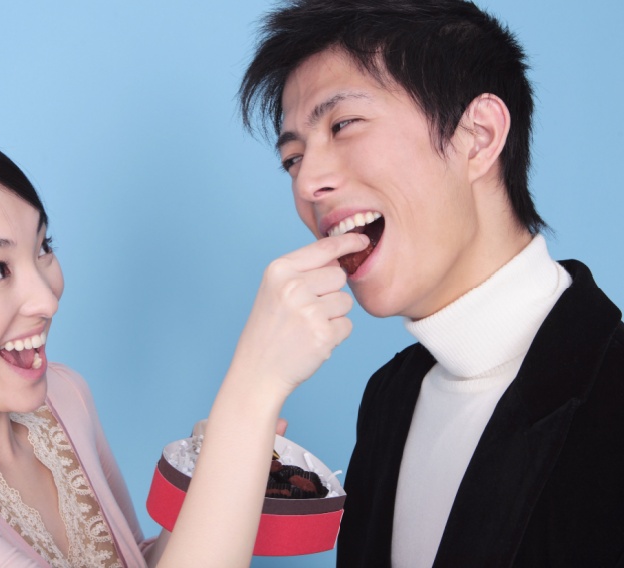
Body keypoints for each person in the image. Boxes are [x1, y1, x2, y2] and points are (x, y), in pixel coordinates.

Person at [0, 113, 370, 567]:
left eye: (43, 248)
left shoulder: (63, 398)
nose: (47, 296)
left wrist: (224, 471)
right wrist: (251, 391)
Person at [239, 0, 624, 566]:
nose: (308, 183)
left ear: (479, 134)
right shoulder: (389, 399)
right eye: (293, 158)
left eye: (342, 125)